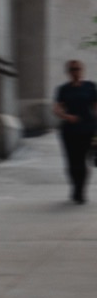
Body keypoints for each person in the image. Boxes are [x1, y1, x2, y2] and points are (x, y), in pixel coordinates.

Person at [54, 60, 97, 204]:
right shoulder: (63, 89)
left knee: (84, 161)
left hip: (88, 128)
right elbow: (57, 108)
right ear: (68, 72)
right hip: (69, 130)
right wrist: (67, 116)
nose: (75, 72)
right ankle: (75, 187)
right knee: (72, 162)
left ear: (82, 70)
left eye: (77, 69)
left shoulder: (90, 87)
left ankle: (80, 191)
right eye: (72, 69)